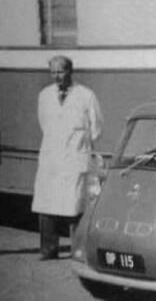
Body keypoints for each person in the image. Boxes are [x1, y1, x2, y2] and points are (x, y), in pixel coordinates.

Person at [31, 56, 103, 260]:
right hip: (52, 156)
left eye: (60, 72)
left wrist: (79, 142)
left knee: (76, 204)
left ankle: (78, 249)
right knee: (47, 204)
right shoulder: (45, 95)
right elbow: (44, 123)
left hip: (75, 155)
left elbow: (96, 126)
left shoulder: (86, 95)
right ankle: (48, 249)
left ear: (70, 71)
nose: (57, 76)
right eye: (53, 72)